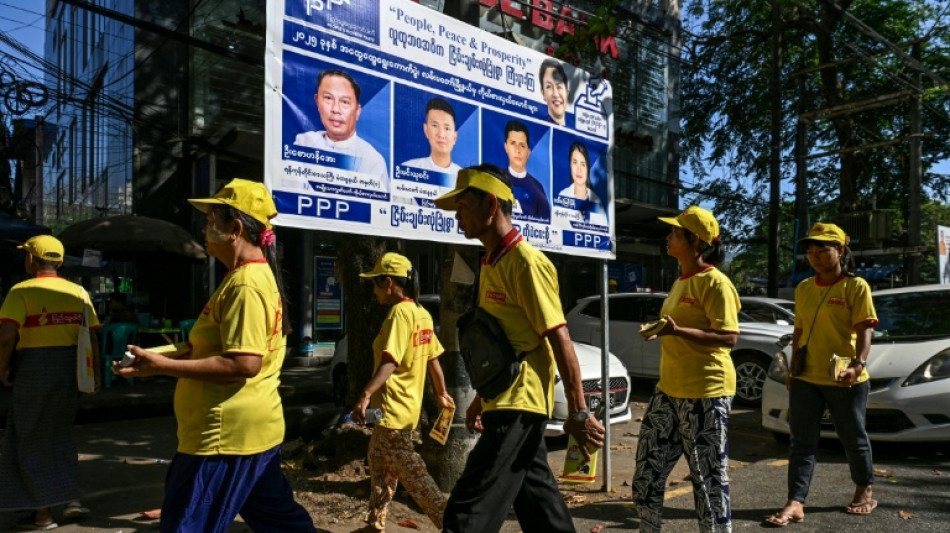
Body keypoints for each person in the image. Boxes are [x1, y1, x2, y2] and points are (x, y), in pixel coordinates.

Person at [115, 178, 317, 533]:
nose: (205, 227)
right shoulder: (244, 277)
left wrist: (163, 367)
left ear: (235, 229)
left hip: (224, 439)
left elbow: (244, 363)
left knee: (188, 525)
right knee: (282, 523)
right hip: (247, 433)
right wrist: (158, 360)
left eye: (211, 220)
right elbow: (215, 347)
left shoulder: (246, 285)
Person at [433, 163, 605, 533]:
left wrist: (578, 412)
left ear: (490, 205)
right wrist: (480, 398)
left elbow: (559, 338)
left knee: (466, 513)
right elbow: (504, 340)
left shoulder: (526, 263)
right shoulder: (492, 262)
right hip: (505, 400)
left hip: (520, 404)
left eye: (463, 206)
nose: (457, 216)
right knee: (542, 509)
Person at [630, 206, 740, 533]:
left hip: (706, 392)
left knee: (708, 482)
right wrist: (662, 329)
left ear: (695, 241)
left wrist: (676, 332)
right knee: (646, 475)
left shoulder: (715, 283)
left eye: (675, 233)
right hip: (669, 390)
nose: (668, 236)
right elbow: (677, 325)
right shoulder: (680, 280)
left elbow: (729, 337)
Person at [765, 223, 878, 527]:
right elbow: (799, 331)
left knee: (852, 435)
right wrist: (792, 369)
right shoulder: (804, 288)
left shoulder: (855, 286)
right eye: (810, 251)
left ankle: (864, 488)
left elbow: (865, 330)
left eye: (822, 249)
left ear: (841, 250)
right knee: (801, 441)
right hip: (806, 377)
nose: (814, 256)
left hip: (845, 376)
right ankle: (795, 502)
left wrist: (859, 363)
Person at [0, 235, 100, 530]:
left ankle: (42, 514)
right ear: (59, 262)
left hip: (35, 368)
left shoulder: (21, 291)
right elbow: (92, 336)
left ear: (31, 259)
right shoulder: (79, 291)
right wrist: (92, 377)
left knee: (28, 436)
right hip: (71, 369)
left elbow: (6, 337)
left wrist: (1, 369)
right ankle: (71, 501)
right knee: (60, 433)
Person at [352, 252, 453, 532]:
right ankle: (374, 524)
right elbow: (433, 359)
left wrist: (365, 394)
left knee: (417, 479)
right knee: (379, 465)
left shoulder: (399, 313)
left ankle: (452, 524)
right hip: (403, 411)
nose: (373, 291)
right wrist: (442, 392)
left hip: (393, 413)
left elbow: (390, 361)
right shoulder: (422, 314)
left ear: (388, 282)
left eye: (375, 283)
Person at [294, 69, 389, 192]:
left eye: (344, 102)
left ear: (357, 111)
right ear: (317, 101)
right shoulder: (304, 143)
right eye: (328, 98)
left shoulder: (373, 162)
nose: (335, 109)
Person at [400, 97, 462, 178]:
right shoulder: (409, 169)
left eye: (447, 128)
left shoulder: (465, 180)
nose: (441, 134)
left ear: (455, 137)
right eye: (435, 126)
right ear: (426, 130)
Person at [503, 120, 550, 220]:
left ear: (528, 152)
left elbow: (547, 225)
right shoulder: (496, 179)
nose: (517, 150)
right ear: (506, 147)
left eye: (522, 145)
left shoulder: (538, 189)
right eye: (513, 143)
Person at [556, 141, 606, 226]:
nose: (579, 169)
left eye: (583, 164)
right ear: (570, 165)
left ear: (587, 168)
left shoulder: (596, 201)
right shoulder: (563, 196)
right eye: (575, 163)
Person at [539, 58, 570, 126]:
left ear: (567, 92)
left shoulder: (574, 131)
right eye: (549, 87)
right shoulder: (539, 127)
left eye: (559, 87)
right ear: (543, 93)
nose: (555, 94)